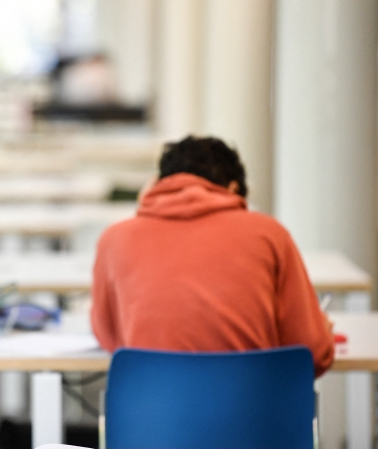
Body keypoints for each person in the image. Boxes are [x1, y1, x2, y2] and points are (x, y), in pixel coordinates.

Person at [91, 136, 334, 377]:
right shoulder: (270, 234)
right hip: (253, 412)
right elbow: (311, 354)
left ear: (156, 184)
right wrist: (323, 329)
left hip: (151, 412)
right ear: (233, 189)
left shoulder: (115, 239)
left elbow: (109, 337)